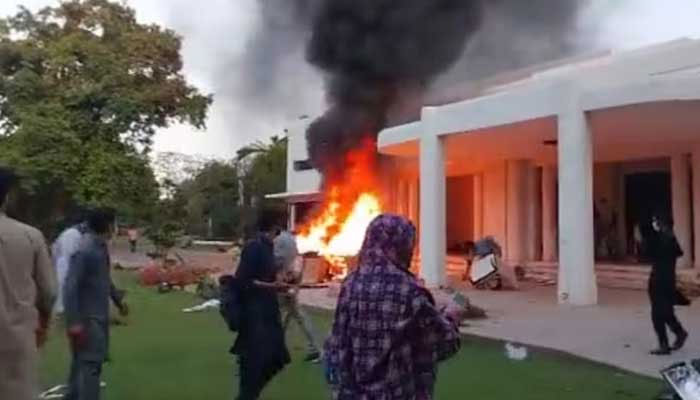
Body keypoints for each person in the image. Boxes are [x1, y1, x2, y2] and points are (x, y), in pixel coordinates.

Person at [325, 214, 462, 399]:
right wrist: (451, 316)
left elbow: (338, 340)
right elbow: (445, 342)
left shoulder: (350, 284)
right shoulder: (410, 290)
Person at [0, 167, 57, 400]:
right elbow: (50, 292)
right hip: (17, 339)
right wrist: (43, 323)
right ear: (7, 196)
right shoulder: (29, 236)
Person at [63, 208, 128, 400]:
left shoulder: (100, 247)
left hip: (97, 317)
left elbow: (104, 278)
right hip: (87, 320)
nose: (116, 227)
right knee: (91, 366)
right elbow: (70, 287)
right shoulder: (85, 249)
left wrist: (118, 300)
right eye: (115, 223)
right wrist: (74, 322)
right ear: (108, 225)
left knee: (81, 364)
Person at [232, 213, 291, 400]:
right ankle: (247, 395)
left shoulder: (268, 247)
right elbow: (243, 280)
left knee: (278, 357)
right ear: (273, 227)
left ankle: (250, 394)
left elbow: (267, 275)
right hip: (254, 313)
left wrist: (282, 280)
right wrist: (272, 286)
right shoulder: (254, 247)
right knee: (253, 361)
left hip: (269, 311)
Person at [274, 229, 323, 363]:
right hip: (291, 282)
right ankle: (316, 349)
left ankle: (317, 349)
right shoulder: (292, 241)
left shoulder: (279, 241)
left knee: (280, 315)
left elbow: (277, 261)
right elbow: (298, 263)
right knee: (294, 315)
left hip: (283, 283)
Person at [646, 215, 688, 355]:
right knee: (665, 312)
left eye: (655, 222)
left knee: (658, 314)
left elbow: (651, 252)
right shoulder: (670, 239)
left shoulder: (662, 240)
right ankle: (679, 333)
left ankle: (665, 343)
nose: (653, 225)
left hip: (660, 281)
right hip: (666, 280)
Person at [52, 215, 88, 315]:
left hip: (64, 263)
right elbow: (69, 253)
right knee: (63, 286)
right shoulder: (72, 234)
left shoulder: (75, 234)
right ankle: (62, 309)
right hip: (65, 264)